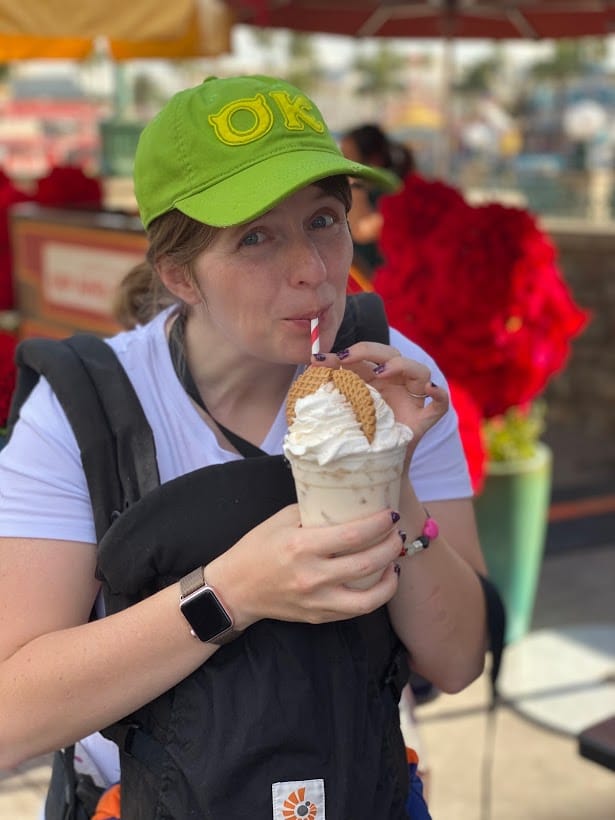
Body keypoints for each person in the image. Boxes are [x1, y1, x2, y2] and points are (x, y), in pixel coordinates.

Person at [0, 75, 488, 819]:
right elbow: (11, 719)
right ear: (177, 274)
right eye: (255, 236)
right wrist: (231, 594)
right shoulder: (84, 410)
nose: (313, 270)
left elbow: (455, 663)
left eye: (324, 219)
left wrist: (387, 469)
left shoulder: (395, 381)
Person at [340, 123, 415, 276]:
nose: (341, 164)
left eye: (348, 157)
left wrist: (355, 186)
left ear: (374, 160)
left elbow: (362, 230)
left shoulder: (391, 195)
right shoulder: (359, 194)